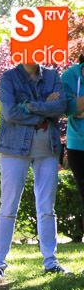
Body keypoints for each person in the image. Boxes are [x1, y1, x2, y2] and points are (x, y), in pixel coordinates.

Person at [0, 62, 70, 279]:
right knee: (8, 206)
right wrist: (45, 107)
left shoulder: (53, 76)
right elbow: (9, 113)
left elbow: (61, 107)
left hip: (48, 149)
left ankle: (51, 262)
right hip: (13, 149)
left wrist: (29, 105)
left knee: (46, 207)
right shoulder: (9, 78)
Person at [62, 55, 84, 204]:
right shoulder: (71, 75)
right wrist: (75, 109)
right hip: (78, 146)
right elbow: (65, 108)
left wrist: (79, 107)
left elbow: (76, 109)